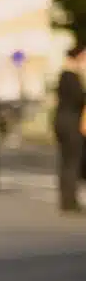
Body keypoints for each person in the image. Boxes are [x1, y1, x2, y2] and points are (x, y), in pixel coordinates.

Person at [54, 43, 86, 213]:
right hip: (71, 123)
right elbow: (79, 99)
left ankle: (67, 199)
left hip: (63, 122)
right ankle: (69, 201)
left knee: (67, 162)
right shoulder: (71, 77)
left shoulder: (64, 75)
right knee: (72, 162)